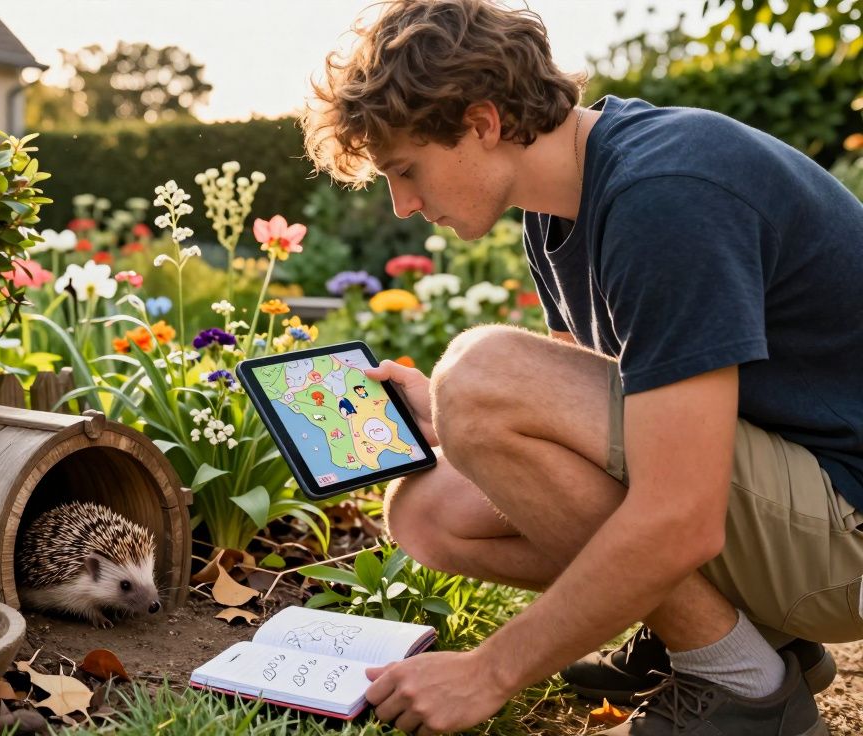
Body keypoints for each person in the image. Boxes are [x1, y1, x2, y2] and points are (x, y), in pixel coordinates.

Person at [301, 0, 863, 734]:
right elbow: (607, 414)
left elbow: (679, 517)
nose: (403, 205)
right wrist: (453, 422)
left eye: (405, 170)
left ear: (482, 122)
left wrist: (489, 671)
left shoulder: (665, 194)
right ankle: (752, 636)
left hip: (848, 534)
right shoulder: (559, 204)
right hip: (797, 497)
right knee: (428, 512)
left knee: (483, 373)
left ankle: (743, 685)